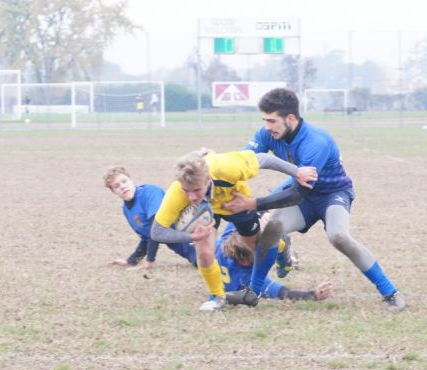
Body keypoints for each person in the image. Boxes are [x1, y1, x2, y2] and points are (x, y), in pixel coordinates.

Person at [223, 88, 406, 312]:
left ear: (290, 118)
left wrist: (254, 204)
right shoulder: (266, 134)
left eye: (272, 121)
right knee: (272, 229)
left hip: (331, 194)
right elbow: (243, 162)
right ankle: (253, 293)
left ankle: (391, 293)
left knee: (339, 237)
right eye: (264, 120)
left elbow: (297, 194)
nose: (267, 127)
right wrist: (212, 164)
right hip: (302, 194)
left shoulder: (315, 142)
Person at [151, 149, 317, 312]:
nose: (191, 196)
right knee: (204, 253)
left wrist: (297, 172)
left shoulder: (226, 168)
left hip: (237, 203)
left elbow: (263, 159)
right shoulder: (178, 193)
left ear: (207, 179)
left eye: (196, 190)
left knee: (254, 250)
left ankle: (281, 247)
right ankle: (217, 296)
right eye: (187, 191)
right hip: (204, 209)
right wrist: (191, 235)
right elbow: (157, 232)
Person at [104, 166, 197, 269]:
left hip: (197, 242)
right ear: (113, 191)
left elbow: (156, 228)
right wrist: (131, 261)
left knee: (212, 260)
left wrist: (149, 261)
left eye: (124, 181)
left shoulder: (150, 192)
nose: (122, 186)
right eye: (116, 186)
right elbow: (147, 237)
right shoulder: (127, 210)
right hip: (188, 252)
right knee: (202, 263)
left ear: (131, 180)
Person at [218, 221, 331, 303]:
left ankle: (284, 254)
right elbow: (283, 293)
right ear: (246, 262)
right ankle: (284, 254)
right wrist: (313, 295)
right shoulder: (247, 279)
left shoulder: (225, 239)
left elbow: (240, 214)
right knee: (277, 244)